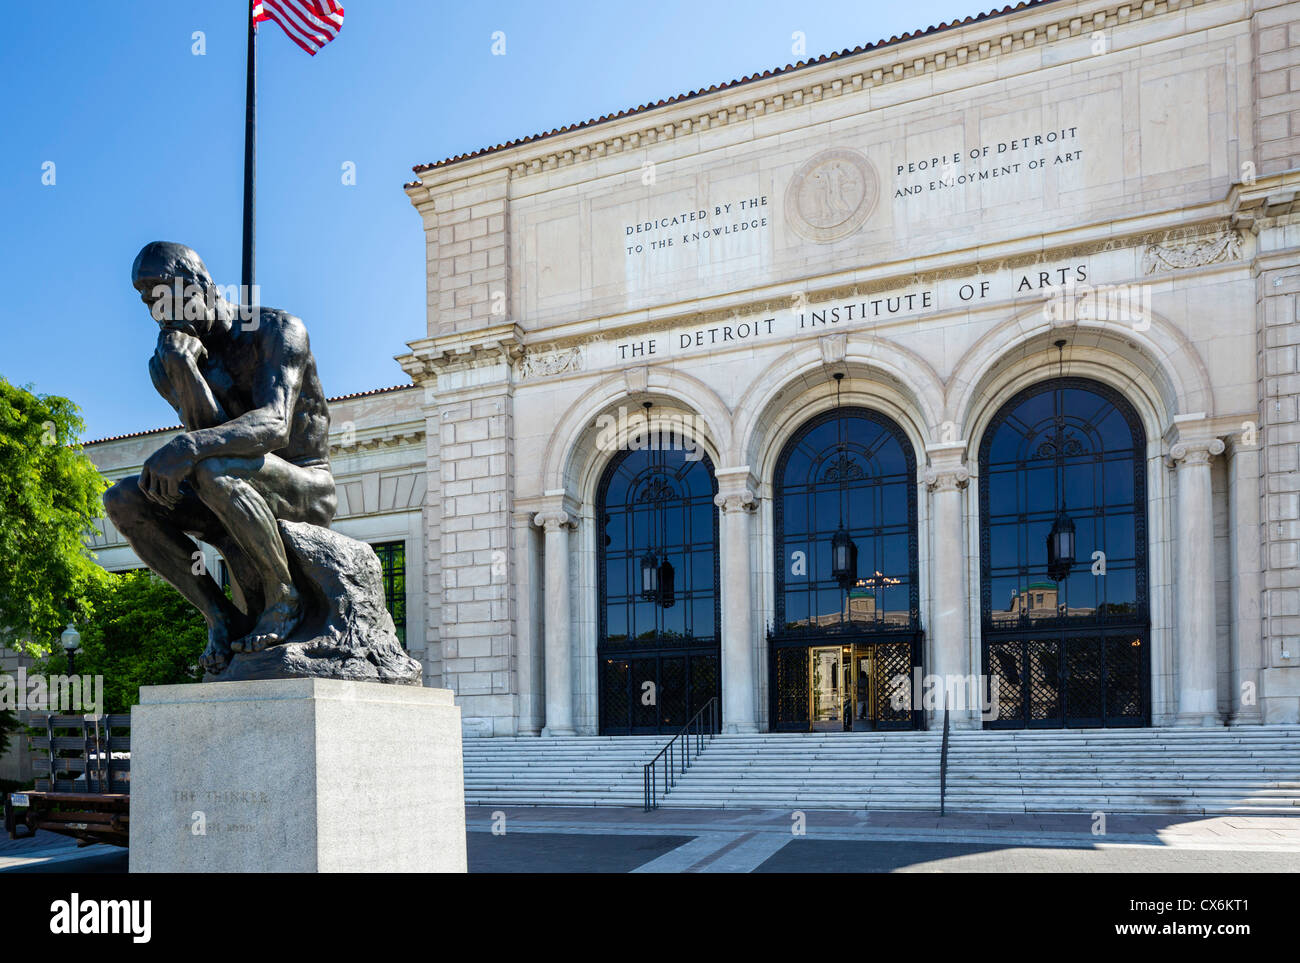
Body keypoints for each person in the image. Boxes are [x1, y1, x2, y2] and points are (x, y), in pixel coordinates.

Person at [103, 242, 336, 674]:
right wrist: (184, 370)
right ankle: (219, 616)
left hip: (305, 487)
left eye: (163, 292)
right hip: (226, 486)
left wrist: (189, 447)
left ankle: (284, 596)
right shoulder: (167, 361)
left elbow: (274, 425)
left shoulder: (276, 329)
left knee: (210, 464)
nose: (157, 309)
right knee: (123, 498)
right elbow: (205, 427)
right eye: (147, 300)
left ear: (200, 285)